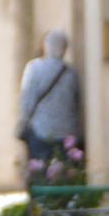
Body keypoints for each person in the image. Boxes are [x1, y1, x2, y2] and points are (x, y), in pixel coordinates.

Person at [17, 29, 84, 182]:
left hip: (41, 130)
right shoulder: (71, 72)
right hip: (68, 132)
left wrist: (23, 121)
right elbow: (76, 102)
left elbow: (27, 100)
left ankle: (41, 203)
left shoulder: (34, 68)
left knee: (40, 172)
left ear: (46, 46)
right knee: (66, 174)